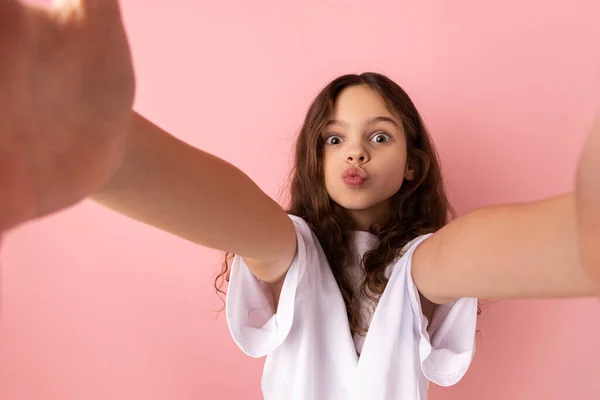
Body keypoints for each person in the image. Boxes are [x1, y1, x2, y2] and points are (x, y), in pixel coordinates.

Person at [0, 1, 598, 399]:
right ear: (316, 159)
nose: (354, 153)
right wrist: (109, 152)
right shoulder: (296, 250)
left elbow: (467, 255)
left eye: (379, 136)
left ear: (412, 163)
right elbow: (249, 223)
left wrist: (583, 232)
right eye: (334, 138)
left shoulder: (424, 264)